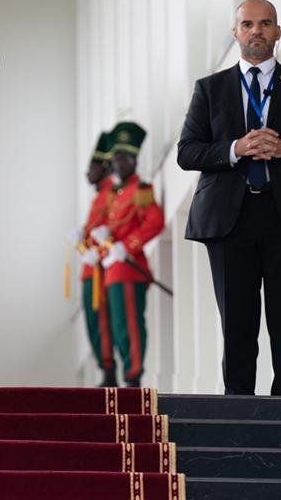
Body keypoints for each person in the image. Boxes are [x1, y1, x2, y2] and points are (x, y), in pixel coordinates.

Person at [178, 0, 281, 396]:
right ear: (235, 32)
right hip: (230, 221)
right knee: (237, 328)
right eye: (248, 24)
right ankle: (237, 420)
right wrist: (236, 148)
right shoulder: (209, 88)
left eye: (265, 23)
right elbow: (187, 152)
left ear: (278, 31)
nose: (256, 31)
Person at [88, 122, 163, 388]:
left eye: (123, 159)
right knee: (117, 328)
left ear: (133, 161)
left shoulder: (141, 188)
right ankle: (124, 373)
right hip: (111, 270)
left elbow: (154, 222)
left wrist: (128, 245)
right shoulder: (115, 194)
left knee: (129, 326)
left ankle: (134, 375)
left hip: (130, 268)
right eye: (116, 160)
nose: (117, 165)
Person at [69, 131, 117, 387]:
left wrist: (95, 248)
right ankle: (105, 368)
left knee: (102, 324)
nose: (88, 173)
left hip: (100, 269)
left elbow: (110, 229)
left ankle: (109, 371)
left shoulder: (111, 193)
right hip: (90, 269)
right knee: (93, 324)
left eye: (92, 167)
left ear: (103, 167)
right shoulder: (99, 195)